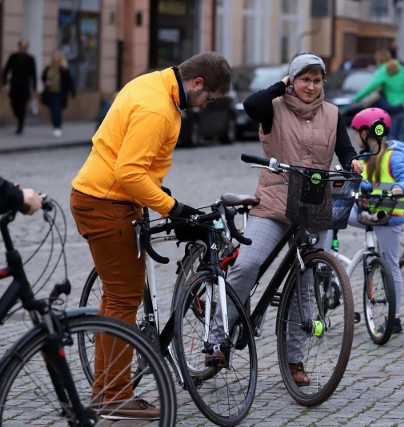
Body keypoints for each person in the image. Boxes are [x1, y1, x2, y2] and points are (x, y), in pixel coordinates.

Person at [69, 52, 231, 420]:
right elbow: (129, 172)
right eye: (210, 98)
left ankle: (106, 393)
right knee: (124, 301)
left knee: (115, 301)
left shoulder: (153, 84)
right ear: (197, 84)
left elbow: (131, 159)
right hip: (106, 202)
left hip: (102, 198)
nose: (206, 106)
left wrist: (159, 198)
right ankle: (114, 396)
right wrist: (174, 208)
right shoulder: (158, 108)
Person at [217, 51, 363, 386]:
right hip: (275, 201)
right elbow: (252, 105)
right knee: (247, 264)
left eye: (316, 80)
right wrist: (282, 84)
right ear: (292, 81)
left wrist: (353, 161)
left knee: (306, 286)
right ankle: (219, 335)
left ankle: (295, 361)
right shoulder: (273, 107)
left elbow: (344, 149)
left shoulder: (332, 113)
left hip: (314, 206)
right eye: (304, 79)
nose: (311, 86)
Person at [349, 108, 404, 333]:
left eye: (357, 132)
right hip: (365, 212)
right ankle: (326, 264)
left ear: (367, 133)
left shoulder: (393, 155)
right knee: (329, 215)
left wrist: (401, 188)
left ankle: (394, 317)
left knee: (391, 264)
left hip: (388, 216)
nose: (356, 136)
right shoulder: (361, 158)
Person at [351, 49, 404, 142]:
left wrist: (356, 98)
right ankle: (402, 156)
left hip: (392, 106)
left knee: (391, 138)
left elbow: (370, 86)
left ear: (379, 60)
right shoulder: (401, 67)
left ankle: (392, 156)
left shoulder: (384, 70)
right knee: (401, 138)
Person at [2, 40, 37, 135]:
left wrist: (34, 88)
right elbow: (6, 70)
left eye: (25, 46)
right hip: (14, 85)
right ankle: (19, 116)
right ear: (19, 46)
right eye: (22, 46)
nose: (23, 48)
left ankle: (20, 126)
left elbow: (33, 75)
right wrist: (5, 83)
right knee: (14, 104)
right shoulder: (13, 57)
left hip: (25, 86)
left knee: (22, 106)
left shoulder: (30, 59)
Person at [41, 51, 76, 137]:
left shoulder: (63, 68)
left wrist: (72, 91)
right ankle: (55, 125)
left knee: (57, 110)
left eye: (57, 57)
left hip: (60, 93)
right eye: (54, 57)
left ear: (60, 58)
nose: (56, 58)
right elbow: (43, 77)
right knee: (53, 110)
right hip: (50, 92)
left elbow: (69, 81)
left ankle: (58, 127)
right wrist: (46, 82)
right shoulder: (48, 68)